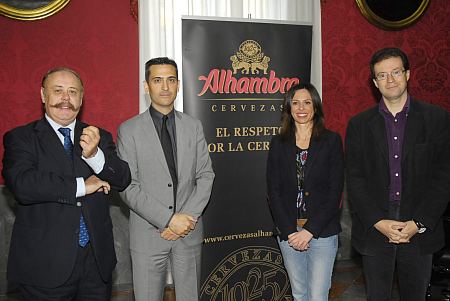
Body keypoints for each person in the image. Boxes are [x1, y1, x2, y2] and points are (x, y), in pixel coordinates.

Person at [2, 67, 131, 300]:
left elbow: (122, 179)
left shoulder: (97, 135)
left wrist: (94, 156)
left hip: (96, 265)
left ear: (81, 99)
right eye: (58, 90)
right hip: (44, 267)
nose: (65, 98)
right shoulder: (21, 138)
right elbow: (23, 184)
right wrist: (82, 185)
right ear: (43, 95)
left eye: (72, 92)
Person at [346, 47, 450, 301]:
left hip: (419, 225)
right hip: (375, 226)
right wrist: (378, 222)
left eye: (395, 72)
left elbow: (444, 176)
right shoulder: (358, 125)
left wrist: (419, 223)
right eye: (382, 75)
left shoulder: (437, 119)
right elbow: (355, 179)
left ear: (408, 74)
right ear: (374, 82)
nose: (390, 80)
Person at [117, 57, 215, 301]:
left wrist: (185, 220)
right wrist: (169, 220)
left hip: (188, 231)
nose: (165, 87)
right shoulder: (128, 130)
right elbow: (128, 186)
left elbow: (205, 175)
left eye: (171, 80)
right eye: (157, 80)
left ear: (178, 85)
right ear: (146, 86)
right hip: (148, 234)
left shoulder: (193, 126)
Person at [266, 82, 344, 301]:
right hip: (288, 233)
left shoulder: (331, 141)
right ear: (289, 108)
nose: (301, 108)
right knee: (299, 293)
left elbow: (335, 192)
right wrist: (290, 231)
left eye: (307, 102)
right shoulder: (278, 143)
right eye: (296, 103)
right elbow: (274, 190)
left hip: (322, 232)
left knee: (318, 295)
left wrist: (309, 231)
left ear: (315, 107)